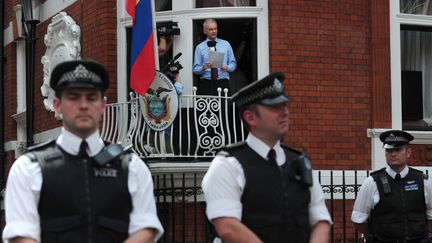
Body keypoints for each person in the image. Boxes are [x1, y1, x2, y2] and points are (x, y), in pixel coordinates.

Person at [2, 59, 164, 243]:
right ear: (57, 105)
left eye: (91, 97)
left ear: (102, 105)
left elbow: (146, 228)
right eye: (73, 97)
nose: (83, 105)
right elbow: (21, 235)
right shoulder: (28, 168)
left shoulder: (132, 166)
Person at [201, 72, 332, 243]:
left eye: (285, 105)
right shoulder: (227, 165)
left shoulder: (299, 162)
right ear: (250, 117)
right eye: (274, 107)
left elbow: (321, 220)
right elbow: (227, 226)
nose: (285, 112)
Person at [351, 130, 432, 242]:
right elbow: (358, 220)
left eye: (398, 149)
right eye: (389, 150)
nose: (393, 154)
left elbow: (430, 216)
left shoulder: (423, 181)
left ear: (408, 152)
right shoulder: (372, 182)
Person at [193, 18, 236, 95]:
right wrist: (204, 67)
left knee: (224, 107)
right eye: (211, 29)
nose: (214, 31)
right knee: (206, 107)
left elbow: (233, 64)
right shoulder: (199, 47)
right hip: (206, 83)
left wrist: (227, 67)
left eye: (215, 29)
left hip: (223, 82)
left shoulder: (226, 44)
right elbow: (195, 69)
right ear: (205, 31)